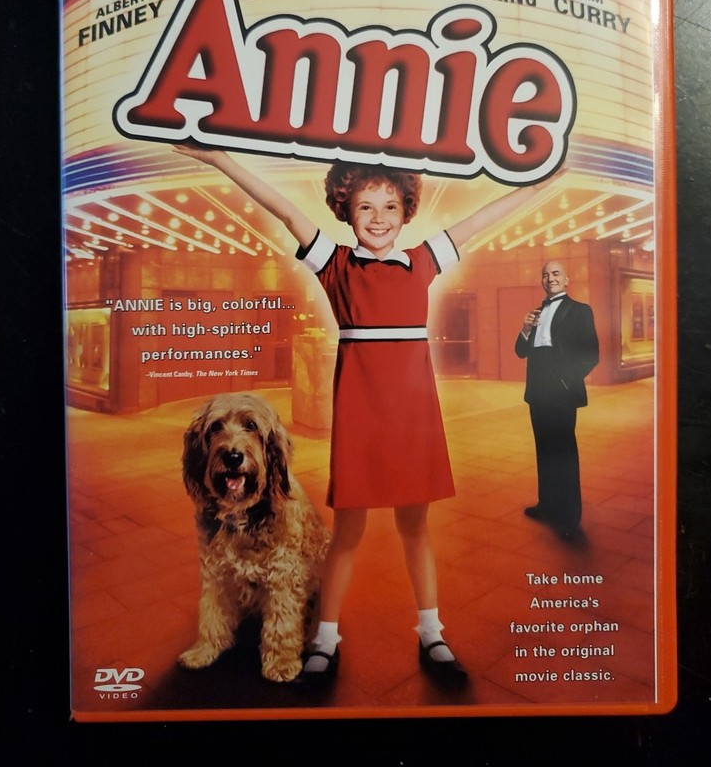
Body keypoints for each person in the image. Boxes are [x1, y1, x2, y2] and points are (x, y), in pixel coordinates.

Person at [175, 144, 542, 685]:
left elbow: (480, 219)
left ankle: (432, 633)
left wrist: (536, 185)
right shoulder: (335, 264)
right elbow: (286, 210)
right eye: (365, 206)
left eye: (390, 206)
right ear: (346, 210)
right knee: (348, 532)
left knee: (416, 529)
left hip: (414, 417)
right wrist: (221, 161)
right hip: (361, 418)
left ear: (406, 211)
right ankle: (325, 639)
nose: (378, 217)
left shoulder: (423, 260)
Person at [514, 261, 599, 542]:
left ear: (567, 279)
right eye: (545, 275)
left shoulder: (580, 310)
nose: (550, 278)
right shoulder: (536, 312)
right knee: (545, 449)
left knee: (563, 452)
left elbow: (591, 353)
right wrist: (526, 329)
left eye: (555, 273)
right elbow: (521, 351)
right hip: (537, 390)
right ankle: (547, 506)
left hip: (561, 389)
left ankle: (569, 518)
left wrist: (566, 380)